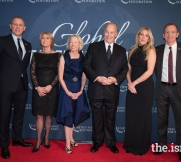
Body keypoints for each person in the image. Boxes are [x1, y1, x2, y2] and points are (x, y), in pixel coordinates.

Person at [0, 16, 33, 159]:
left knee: (19, 115)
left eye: (21, 25)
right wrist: (2, 78)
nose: (18, 27)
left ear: (24, 28)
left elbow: (23, 65)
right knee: (5, 116)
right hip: (6, 85)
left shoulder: (27, 44)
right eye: (15, 24)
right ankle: (4, 145)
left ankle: (18, 139)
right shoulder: (1, 41)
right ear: (10, 26)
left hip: (22, 85)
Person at [83, 22, 128, 154]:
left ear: (116, 34)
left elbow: (125, 69)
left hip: (112, 90)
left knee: (110, 117)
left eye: (112, 32)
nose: (109, 34)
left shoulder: (121, 50)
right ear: (103, 33)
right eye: (107, 31)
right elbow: (86, 65)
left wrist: (116, 79)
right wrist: (97, 77)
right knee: (97, 117)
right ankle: (97, 141)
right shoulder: (93, 47)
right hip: (96, 88)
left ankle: (110, 142)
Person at [153, 23, 181, 162]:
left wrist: (180, 83)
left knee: (180, 122)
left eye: (173, 32)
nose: (170, 34)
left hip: (178, 90)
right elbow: (154, 70)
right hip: (162, 89)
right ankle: (162, 145)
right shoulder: (157, 50)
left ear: (177, 34)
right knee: (161, 120)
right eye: (167, 32)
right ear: (163, 35)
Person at [123, 27, 156, 155]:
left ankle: (141, 147)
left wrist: (134, 83)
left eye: (146, 35)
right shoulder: (132, 50)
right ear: (137, 36)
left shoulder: (151, 51)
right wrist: (130, 83)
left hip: (144, 88)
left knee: (142, 117)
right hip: (132, 87)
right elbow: (127, 69)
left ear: (149, 38)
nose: (143, 37)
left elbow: (149, 71)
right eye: (141, 34)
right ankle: (130, 144)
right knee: (132, 116)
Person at [56, 34, 90, 154]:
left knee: (76, 113)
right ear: (68, 44)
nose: (73, 44)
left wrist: (81, 90)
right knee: (68, 115)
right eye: (71, 42)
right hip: (67, 89)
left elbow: (84, 76)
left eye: (75, 42)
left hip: (78, 89)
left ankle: (71, 138)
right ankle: (67, 143)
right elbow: (60, 77)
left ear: (79, 44)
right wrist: (68, 92)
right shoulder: (63, 57)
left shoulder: (83, 57)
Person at [30, 32, 61, 152]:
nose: (44, 40)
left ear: (51, 41)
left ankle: (46, 137)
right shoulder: (36, 56)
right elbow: (32, 72)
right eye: (42, 38)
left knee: (48, 115)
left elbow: (59, 73)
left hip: (51, 90)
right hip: (38, 90)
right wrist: (37, 87)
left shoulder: (58, 56)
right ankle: (38, 140)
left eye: (47, 38)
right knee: (38, 115)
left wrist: (50, 86)